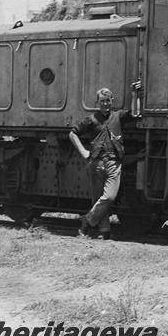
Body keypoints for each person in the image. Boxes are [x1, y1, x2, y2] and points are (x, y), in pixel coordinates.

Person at [69, 84, 140, 239]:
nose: (105, 104)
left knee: (109, 197)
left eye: (107, 100)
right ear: (97, 102)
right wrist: (83, 152)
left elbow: (135, 114)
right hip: (96, 164)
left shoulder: (118, 116)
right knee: (97, 199)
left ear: (112, 101)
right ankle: (104, 233)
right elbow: (73, 134)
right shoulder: (91, 120)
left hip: (114, 164)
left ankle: (87, 221)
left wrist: (135, 94)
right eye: (102, 101)